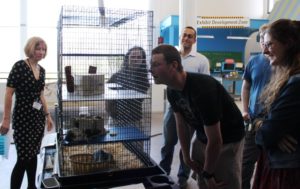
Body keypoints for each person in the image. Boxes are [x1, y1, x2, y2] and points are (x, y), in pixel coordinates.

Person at [150, 44, 245, 189]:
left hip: (228, 140)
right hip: (203, 136)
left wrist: (208, 174)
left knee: (220, 182)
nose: (151, 69)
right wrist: (186, 157)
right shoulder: (172, 91)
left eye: (156, 64)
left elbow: (216, 140)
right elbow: (181, 125)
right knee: (203, 181)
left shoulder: (203, 90)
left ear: (173, 65)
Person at [159, 26, 210, 188]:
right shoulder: (171, 57)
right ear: (180, 38)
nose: (187, 38)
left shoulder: (201, 60)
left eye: (190, 36)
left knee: (185, 146)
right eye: (184, 35)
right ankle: (163, 171)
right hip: (172, 108)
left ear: (194, 40)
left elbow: (205, 85)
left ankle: (182, 176)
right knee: (168, 142)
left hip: (191, 112)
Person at [0, 36, 54, 189]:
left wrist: (48, 116)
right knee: (23, 158)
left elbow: (41, 95)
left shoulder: (41, 71)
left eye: (43, 49)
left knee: (33, 155)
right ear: (31, 48)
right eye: (38, 48)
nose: (41, 52)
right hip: (22, 119)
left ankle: (32, 186)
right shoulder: (20, 66)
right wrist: (6, 119)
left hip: (37, 120)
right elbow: (9, 93)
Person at [252, 19, 300, 189]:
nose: (265, 50)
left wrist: (264, 129)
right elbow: (264, 121)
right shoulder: (287, 77)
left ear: (288, 44)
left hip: (286, 168)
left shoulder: (295, 83)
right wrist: (264, 125)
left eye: (270, 44)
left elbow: (266, 135)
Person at [241, 24, 271, 189]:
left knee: (269, 163)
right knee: (245, 162)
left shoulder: (283, 62)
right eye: (262, 40)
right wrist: (245, 109)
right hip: (253, 119)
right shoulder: (254, 61)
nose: (264, 45)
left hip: (274, 121)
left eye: (268, 41)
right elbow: (246, 86)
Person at [105, 46, 150, 126]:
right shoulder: (116, 76)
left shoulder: (143, 80)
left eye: (139, 57)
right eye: (132, 56)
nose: (135, 59)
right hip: (116, 118)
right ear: (127, 58)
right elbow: (107, 93)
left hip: (134, 119)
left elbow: (137, 99)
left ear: (142, 60)